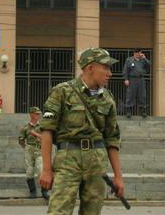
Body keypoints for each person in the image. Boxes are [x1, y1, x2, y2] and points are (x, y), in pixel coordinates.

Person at [39, 47, 124, 215]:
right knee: (58, 211)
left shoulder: (108, 98)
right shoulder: (61, 91)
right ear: (90, 68)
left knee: (92, 212)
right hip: (68, 159)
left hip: (97, 160)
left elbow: (112, 139)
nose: (110, 73)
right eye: (105, 67)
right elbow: (47, 129)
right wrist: (47, 169)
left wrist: (118, 176)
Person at [18, 106, 49, 200]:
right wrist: (26, 147)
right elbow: (21, 140)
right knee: (29, 171)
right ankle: (32, 191)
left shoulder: (42, 126)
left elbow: (46, 138)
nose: (38, 115)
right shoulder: (25, 127)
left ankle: (44, 191)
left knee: (41, 170)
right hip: (29, 149)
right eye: (36, 114)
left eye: (39, 114)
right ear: (31, 114)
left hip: (39, 149)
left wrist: (37, 135)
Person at [123, 48, 151, 118]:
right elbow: (126, 70)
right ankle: (128, 111)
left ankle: (143, 111)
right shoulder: (129, 60)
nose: (140, 54)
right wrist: (126, 79)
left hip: (141, 79)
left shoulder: (143, 60)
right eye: (138, 53)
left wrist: (145, 59)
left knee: (142, 95)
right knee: (130, 94)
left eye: (140, 53)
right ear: (135, 53)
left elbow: (149, 65)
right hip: (132, 79)